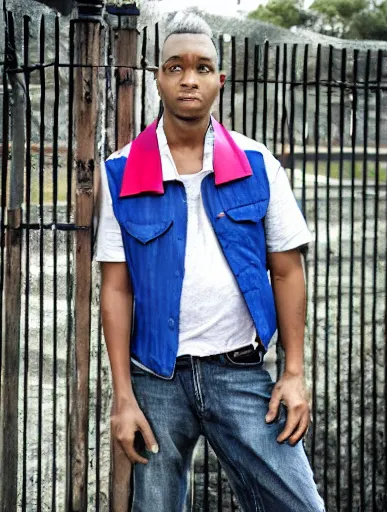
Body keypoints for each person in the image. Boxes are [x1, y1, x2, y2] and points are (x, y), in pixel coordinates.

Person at [96, 11, 325, 512]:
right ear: (158, 77)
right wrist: (122, 398)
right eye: (175, 67)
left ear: (220, 79)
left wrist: (293, 372)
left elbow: (287, 271)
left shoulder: (259, 164)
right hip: (155, 381)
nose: (188, 79)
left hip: (241, 375)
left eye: (202, 68)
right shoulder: (120, 172)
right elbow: (115, 288)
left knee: (300, 505)